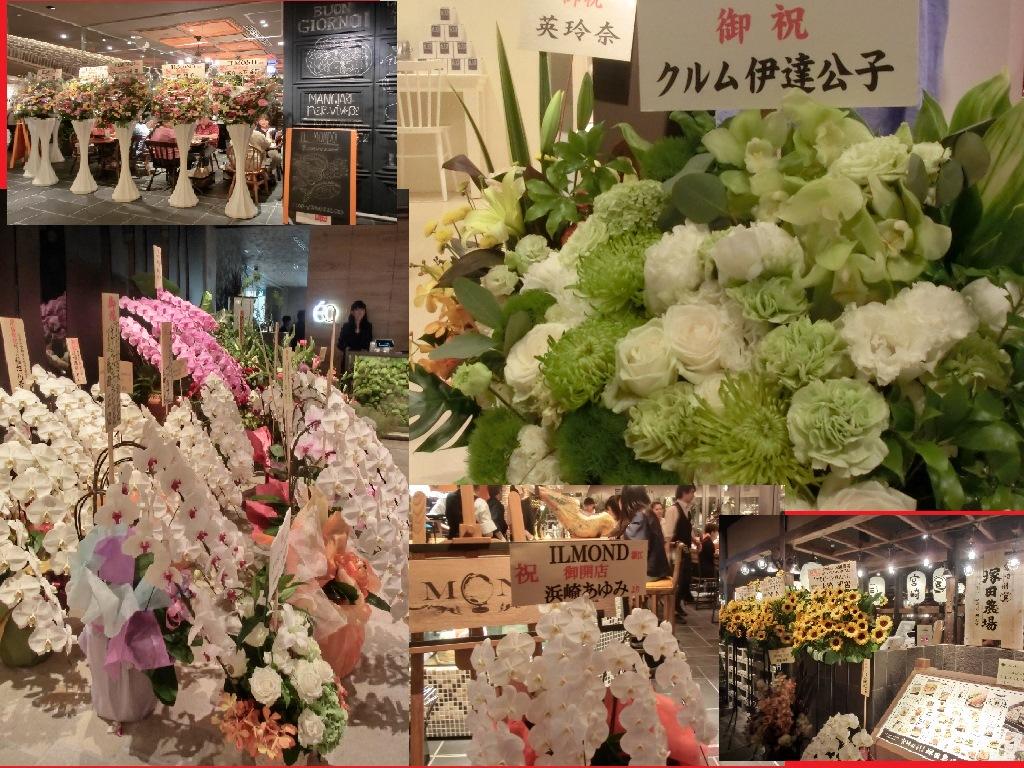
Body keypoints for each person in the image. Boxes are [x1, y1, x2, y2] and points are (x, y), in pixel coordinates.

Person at [620, 486, 671, 580]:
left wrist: (623, 533)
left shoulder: (640, 514)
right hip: (655, 569)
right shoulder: (646, 512)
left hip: (648, 572)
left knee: (612, 575)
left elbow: (636, 546)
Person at [431, 486, 499, 540]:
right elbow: (488, 534)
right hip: (474, 546)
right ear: (478, 486)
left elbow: (432, 518)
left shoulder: (446, 498)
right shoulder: (480, 502)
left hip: (452, 543)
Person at [671, 485, 698, 615]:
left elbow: (688, 529)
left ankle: (678, 604)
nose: (693, 495)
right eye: (692, 492)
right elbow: (668, 533)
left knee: (686, 578)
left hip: (686, 548)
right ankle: (675, 606)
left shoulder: (687, 510)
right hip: (676, 550)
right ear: (684, 492)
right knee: (680, 579)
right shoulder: (673, 509)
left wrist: (695, 541)